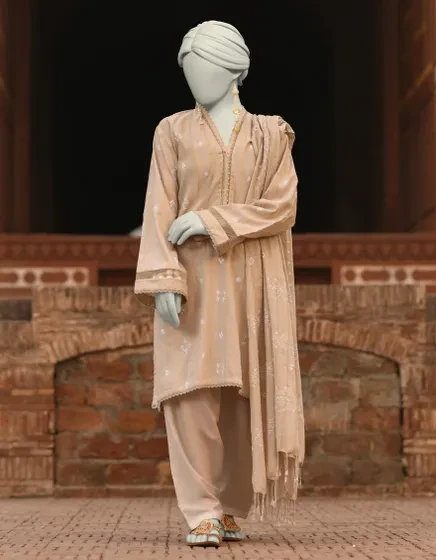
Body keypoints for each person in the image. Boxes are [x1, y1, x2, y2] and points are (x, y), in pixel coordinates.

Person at [134, 20, 305, 548]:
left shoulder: (272, 134)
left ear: (235, 70)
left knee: (240, 393)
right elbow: (158, 207)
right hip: (191, 277)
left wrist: (211, 220)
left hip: (254, 277)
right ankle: (201, 510)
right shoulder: (172, 131)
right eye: (189, 71)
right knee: (190, 393)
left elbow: (282, 206)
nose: (196, 80)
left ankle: (229, 506)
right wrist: (164, 278)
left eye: (205, 68)